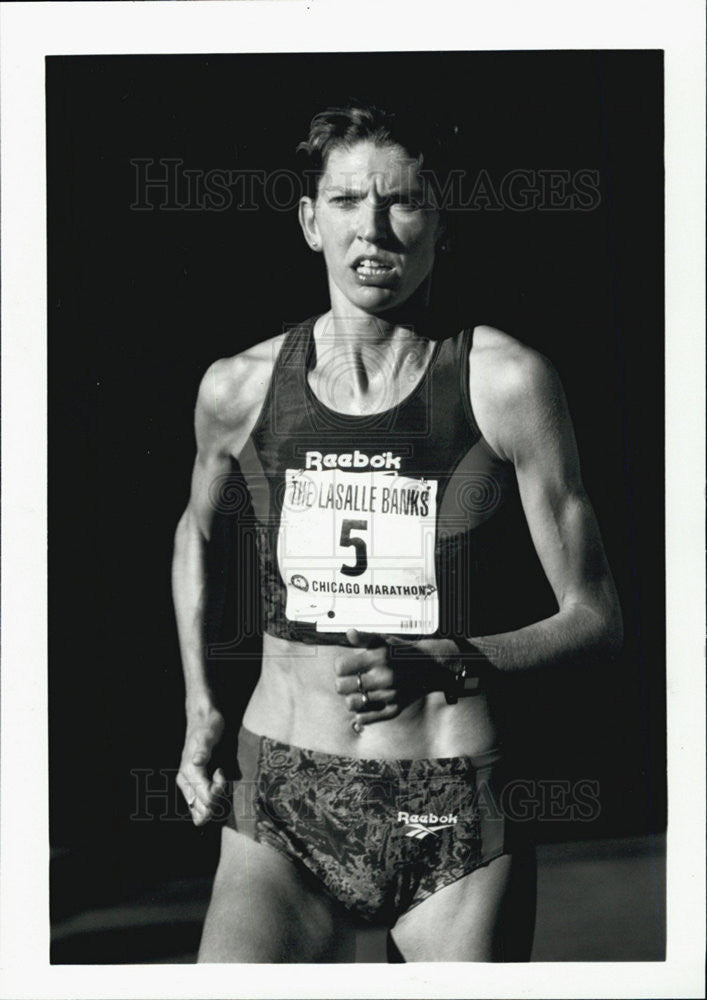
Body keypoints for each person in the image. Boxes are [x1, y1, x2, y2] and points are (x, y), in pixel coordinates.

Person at [171, 102, 622, 963]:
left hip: (446, 805)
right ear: (310, 222)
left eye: (402, 201)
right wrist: (200, 708)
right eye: (345, 202)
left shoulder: (504, 382)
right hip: (283, 803)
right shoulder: (237, 387)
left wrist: (439, 658)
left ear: (439, 220)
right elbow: (192, 536)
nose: (372, 228)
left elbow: (595, 616)